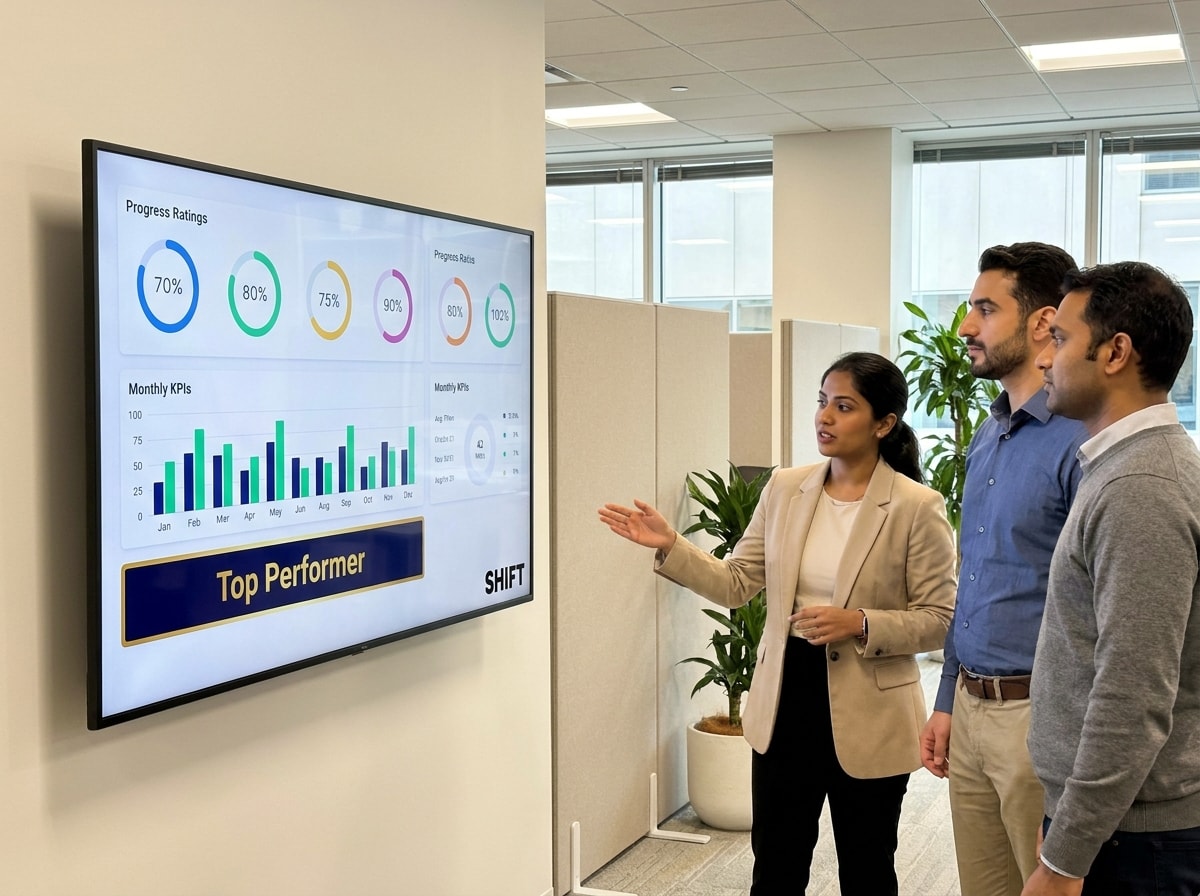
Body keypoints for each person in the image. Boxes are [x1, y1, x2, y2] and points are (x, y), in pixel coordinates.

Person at [598, 352, 956, 895]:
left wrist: (859, 622)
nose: (824, 417)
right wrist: (672, 546)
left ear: (884, 424)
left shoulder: (916, 506)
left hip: (871, 708)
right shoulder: (785, 488)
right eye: (821, 402)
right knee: (776, 867)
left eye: (844, 406)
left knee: (867, 870)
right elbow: (737, 582)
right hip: (786, 697)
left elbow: (939, 621)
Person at [1021, 262, 1200, 896]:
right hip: (1116, 822)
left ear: (1115, 352)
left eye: (1062, 339)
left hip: (1138, 837)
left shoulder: (1140, 488)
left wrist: (1065, 859)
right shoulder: (1124, 468)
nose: (1045, 358)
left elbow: (1133, 694)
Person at [919, 242, 1087, 896]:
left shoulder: (1078, 439)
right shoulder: (990, 432)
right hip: (972, 706)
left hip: (1040, 721)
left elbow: (1102, 612)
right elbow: (976, 580)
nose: (965, 327)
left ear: (1044, 322)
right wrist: (946, 699)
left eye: (985, 309)